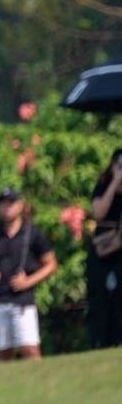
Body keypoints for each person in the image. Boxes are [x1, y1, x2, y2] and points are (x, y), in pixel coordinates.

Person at [0, 186, 57, 360]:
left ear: (20, 206)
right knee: (4, 354)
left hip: (22, 300)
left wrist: (29, 281)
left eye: (10, 203)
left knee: (30, 349)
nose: (6, 207)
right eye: (3, 204)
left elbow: (51, 264)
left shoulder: (32, 233)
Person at [86, 148, 122, 348]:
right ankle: (100, 341)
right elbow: (99, 212)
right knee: (101, 299)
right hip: (103, 253)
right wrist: (115, 182)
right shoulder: (103, 187)